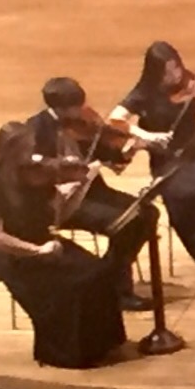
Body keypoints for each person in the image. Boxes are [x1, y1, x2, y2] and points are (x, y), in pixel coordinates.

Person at [0, 122, 128, 368]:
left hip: (44, 240)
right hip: (15, 256)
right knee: (76, 284)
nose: (31, 154)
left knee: (101, 271)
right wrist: (36, 251)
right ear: (8, 150)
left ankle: (102, 344)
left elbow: (58, 217)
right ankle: (69, 353)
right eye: (25, 148)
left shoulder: (33, 173)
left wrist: (81, 187)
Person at [24, 76, 156, 311]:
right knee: (125, 224)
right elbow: (34, 169)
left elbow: (106, 151)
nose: (80, 112)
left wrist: (127, 149)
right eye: (75, 107)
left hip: (92, 191)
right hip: (63, 201)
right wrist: (64, 165)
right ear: (59, 108)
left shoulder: (84, 122)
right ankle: (119, 289)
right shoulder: (36, 129)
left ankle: (109, 276)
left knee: (148, 213)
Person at [106, 42, 195, 269]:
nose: (175, 75)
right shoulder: (143, 94)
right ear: (155, 72)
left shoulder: (190, 83)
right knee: (185, 195)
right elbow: (115, 120)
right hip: (168, 161)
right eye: (167, 71)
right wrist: (147, 134)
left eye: (176, 67)